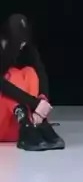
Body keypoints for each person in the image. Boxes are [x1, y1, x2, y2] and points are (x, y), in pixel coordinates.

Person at [0, 14, 65, 151]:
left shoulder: (26, 48)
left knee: (30, 72)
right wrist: (34, 103)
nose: (22, 46)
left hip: (16, 125)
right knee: (11, 75)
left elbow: (40, 72)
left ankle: (37, 123)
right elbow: (3, 85)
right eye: (19, 43)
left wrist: (42, 100)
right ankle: (25, 122)